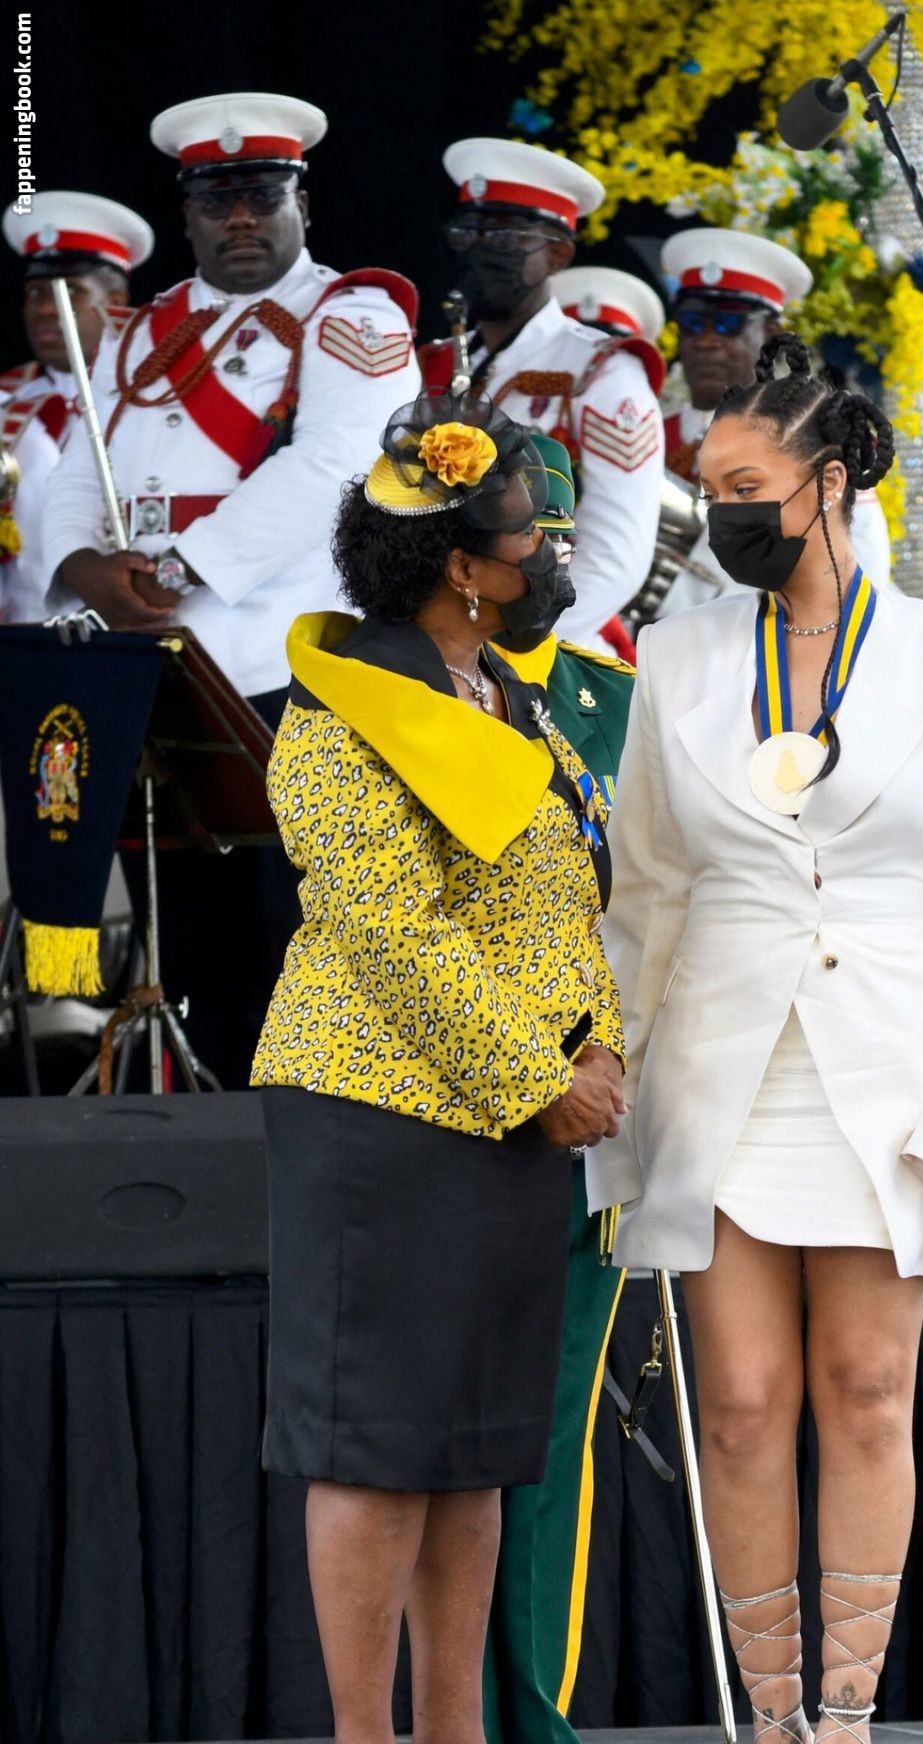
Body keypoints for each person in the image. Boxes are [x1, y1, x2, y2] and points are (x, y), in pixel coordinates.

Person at [588, 336, 923, 1744]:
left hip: (891, 1075)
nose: (721, 514)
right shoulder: (679, 656)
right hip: (719, 1072)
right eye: (707, 489)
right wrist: (612, 1091)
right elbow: (645, 893)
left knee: (867, 1395)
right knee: (742, 1407)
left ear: (831, 481)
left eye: (746, 486)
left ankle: (848, 1736)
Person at [252, 394, 624, 1744]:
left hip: (512, 1108)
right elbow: (386, 931)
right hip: (380, 1108)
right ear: (462, 566)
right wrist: (539, 1075)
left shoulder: (502, 697)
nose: (552, 559)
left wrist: (595, 1046)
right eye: (531, 537)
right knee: (377, 1446)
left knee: (472, 1453)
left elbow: (565, 891)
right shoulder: (340, 710)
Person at [41, 92, 420, 1088]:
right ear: (189, 214)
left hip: (285, 668)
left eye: (262, 195)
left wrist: (176, 571)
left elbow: (336, 467)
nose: (241, 218)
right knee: (183, 939)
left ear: (303, 204)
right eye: (219, 201)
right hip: (149, 666)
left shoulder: (354, 318)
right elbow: (76, 473)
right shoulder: (142, 330)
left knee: (291, 937)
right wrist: (81, 567)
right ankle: (202, 1148)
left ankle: (302, 1149)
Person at [483, 434, 634, 1744]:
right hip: (442, 1105)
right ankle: (435, 1732)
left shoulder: (618, 703)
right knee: (427, 1436)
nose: (557, 561)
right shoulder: (385, 696)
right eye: (534, 534)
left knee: (550, 1426)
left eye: (568, 534)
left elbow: (663, 910)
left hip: (590, 1111)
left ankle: (534, 1718)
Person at [419, 137, 663, 659]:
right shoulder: (431, 363)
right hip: (425, 635)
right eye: (470, 232)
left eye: (506, 237)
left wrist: (505, 645)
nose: (482, 250)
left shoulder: (602, 371)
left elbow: (617, 553)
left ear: (558, 254)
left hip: (537, 652)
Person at [658, 228, 891, 611]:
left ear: (771, 332)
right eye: (692, 322)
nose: (706, 340)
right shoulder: (653, 436)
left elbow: (862, 564)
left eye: (728, 323)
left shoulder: (819, 436)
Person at [0, 191, 153, 623]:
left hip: (125, 624)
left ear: (116, 301)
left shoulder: (154, 400)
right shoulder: (6, 401)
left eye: (71, 291)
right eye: (35, 292)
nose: (46, 309)